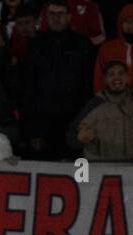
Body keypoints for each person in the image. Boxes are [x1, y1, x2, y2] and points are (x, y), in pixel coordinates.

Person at [21, 0, 96, 157]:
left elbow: (89, 86)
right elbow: (27, 88)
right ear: (46, 17)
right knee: (46, 172)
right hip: (43, 122)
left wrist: (86, 121)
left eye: (60, 13)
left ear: (69, 17)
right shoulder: (35, 45)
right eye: (52, 14)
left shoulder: (83, 44)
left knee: (78, 172)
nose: (56, 18)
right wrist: (32, 129)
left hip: (75, 120)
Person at [70, 59, 133, 160]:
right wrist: (80, 139)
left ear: (128, 78)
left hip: (129, 171)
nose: (117, 77)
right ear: (104, 80)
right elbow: (71, 138)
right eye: (111, 74)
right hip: (102, 169)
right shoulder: (95, 104)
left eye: (121, 73)